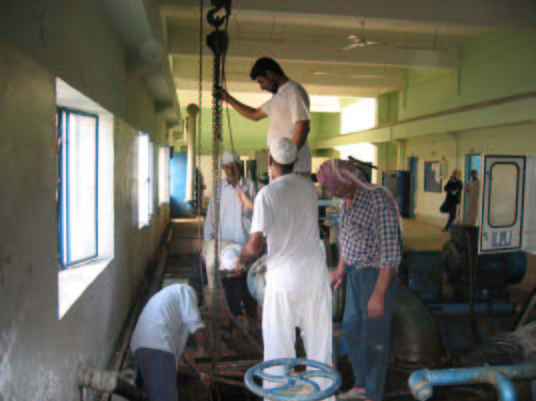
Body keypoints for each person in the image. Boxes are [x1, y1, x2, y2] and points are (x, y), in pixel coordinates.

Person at [239, 137, 333, 400]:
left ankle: (277, 397)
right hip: (315, 278)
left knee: (278, 354)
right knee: (320, 350)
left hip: (282, 283)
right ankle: (325, 397)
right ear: (293, 162)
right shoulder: (308, 189)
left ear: (270, 162)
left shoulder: (266, 194)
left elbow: (255, 246)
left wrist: (240, 257)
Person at [316, 159, 402, 401]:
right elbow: (347, 238)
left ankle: (373, 394)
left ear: (347, 180)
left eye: (334, 188)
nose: (332, 193)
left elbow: (390, 251)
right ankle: (362, 385)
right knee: (352, 330)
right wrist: (341, 269)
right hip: (354, 274)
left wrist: (379, 294)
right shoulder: (346, 202)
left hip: (375, 276)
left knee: (374, 338)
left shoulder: (377, 199)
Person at [216, 57, 312, 177]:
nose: (261, 88)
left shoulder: (294, 92)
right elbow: (254, 114)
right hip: (282, 166)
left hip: (293, 167)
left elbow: (302, 127)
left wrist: (288, 160)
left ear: (270, 74)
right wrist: (227, 98)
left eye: (261, 81)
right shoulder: (278, 96)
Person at [130, 284, 217, 401]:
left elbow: (182, 351)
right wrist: (212, 351)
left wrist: (200, 372)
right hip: (157, 345)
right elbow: (197, 329)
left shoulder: (173, 308)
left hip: (144, 346)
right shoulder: (187, 291)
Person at [190, 151, 256, 302]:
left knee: (242, 282)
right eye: (227, 167)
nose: (231, 170)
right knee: (214, 276)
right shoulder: (218, 188)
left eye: (233, 166)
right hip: (223, 243)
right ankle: (204, 301)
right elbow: (211, 217)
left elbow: (253, 213)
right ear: (223, 169)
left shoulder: (249, 186)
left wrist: (244, 198)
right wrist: (207, 242)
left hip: (242, 242)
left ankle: (242, 310)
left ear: (239, 166)